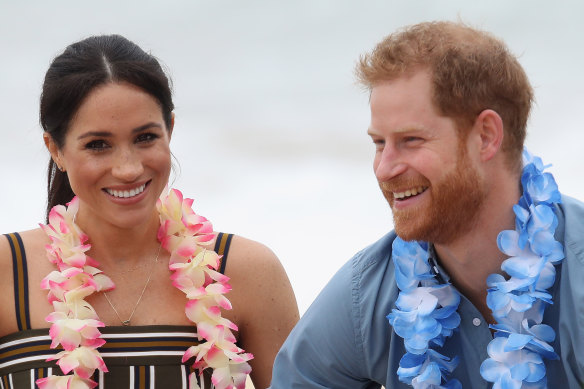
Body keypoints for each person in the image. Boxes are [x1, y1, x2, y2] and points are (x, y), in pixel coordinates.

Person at [269, 21, 583, 388]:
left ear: (486, 137)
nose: (385, 169)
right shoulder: (366, 296)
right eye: (378, 143)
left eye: (411, 140)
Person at [0, 34, 299, 389]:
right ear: (56, 150)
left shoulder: (247, 272)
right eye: (98, 145)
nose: (128, 169)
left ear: (169, 130)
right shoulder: (7, 272)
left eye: (145, 138)